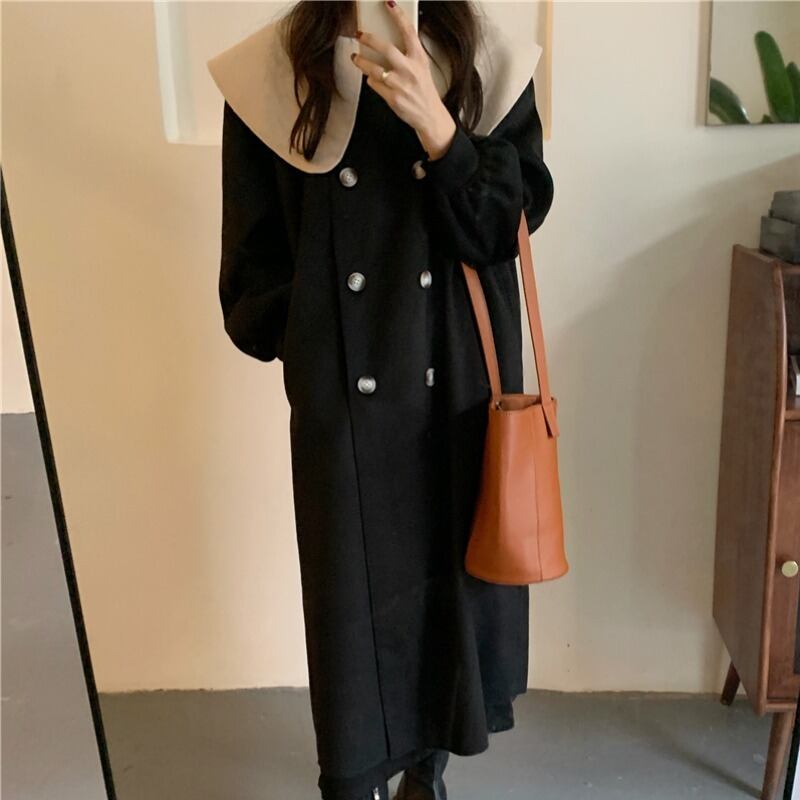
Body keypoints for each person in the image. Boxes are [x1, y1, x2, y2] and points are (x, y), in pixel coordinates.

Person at [207, 2, 555, 799]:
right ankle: (354, 779)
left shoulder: (486, 59)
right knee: (352, 614)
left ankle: (426, 775)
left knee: (447, 599)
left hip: (459, 392)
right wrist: (317, 337)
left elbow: (508, 228)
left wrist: (442, 131)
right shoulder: (270, 72)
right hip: (347, 410)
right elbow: (250, 273)